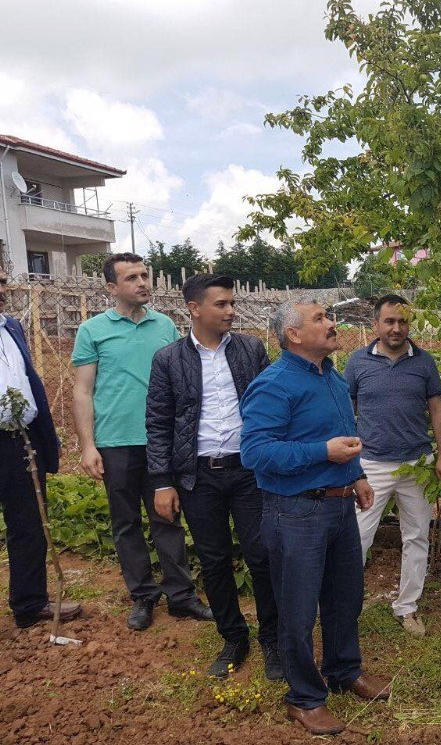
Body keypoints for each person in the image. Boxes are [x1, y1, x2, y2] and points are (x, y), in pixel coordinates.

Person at [241, 296, 391, 736]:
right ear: (293, 334)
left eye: (329, 316)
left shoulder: (334, 379)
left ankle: (344, 670)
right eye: (320, 318)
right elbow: (256, 452)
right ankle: (304, 698)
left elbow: (343, 440)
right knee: (298, 610)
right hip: (296, 512)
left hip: (340, 507)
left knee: (345, 598)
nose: (332, 323)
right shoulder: (274, 384)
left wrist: (357, 475)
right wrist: (322, 452)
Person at [146, 274, 282, 680]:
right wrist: (162, 481)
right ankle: (233, 636)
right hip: (198, 476)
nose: (230, 311)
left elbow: (270, 403)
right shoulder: (168, 359)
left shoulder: (250, 348)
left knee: (262, 555)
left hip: (248, 470)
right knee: (215, 558)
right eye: (221, 304)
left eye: (231, 303)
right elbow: (158, 423)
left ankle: (272, 640)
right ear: (195, 309)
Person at [71, 253, 211, 631]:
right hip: (116, 441)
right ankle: (143, 596)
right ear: (112, 288)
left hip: (161, 440)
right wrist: (88, 445)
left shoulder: (164, 326)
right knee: (126, 522)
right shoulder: (93, 330)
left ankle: (181, 596)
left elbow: (182, 384)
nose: (142, 283)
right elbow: (83, 391)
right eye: (131, 278)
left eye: (145, 275)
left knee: (168, 516)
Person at [345, 294, 441, 637]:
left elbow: (436, 410)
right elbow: (347, 409)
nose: (396, 328)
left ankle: (407, 607)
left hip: (416, 463)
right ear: (375, 325)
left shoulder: (424, 362)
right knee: (357, 537)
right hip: (371, 464)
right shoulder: (357, 361)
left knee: (417, 535)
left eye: (402, 321)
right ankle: (345, 606)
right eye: (389, 321)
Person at [0, 269, 83, 629]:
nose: (2, 287)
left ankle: (29, 603)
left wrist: (44, 435)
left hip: (19, 437)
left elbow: (27, 380)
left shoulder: (11, 327)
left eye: (3, 280)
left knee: (28, 522)